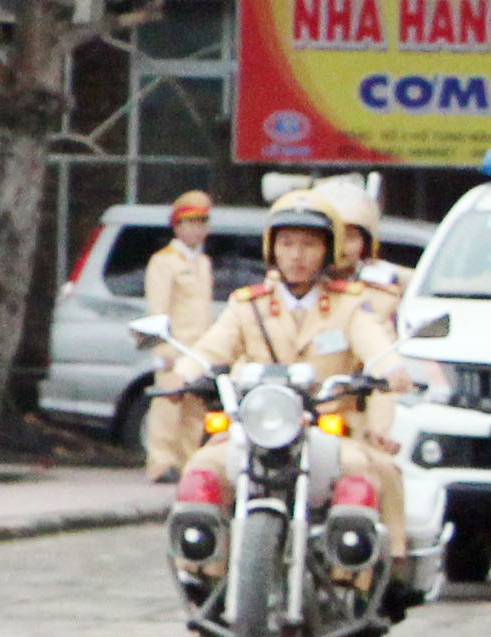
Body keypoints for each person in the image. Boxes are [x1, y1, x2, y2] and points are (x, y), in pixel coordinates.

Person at [172, 191, 410, 580]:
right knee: (202, 465)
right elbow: (211, 346)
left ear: (327, 250)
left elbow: (375, 344)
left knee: (360, 468)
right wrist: (184, 373)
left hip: (328, 427)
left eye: (309, 244)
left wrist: (392, 368)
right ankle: (201, 568)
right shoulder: (248, 304)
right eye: (287, 243)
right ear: (272, 249)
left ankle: (359, 572)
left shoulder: (350, 305)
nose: (297, 255)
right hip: (257, 427)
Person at [140, 189, 220, 483]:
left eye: (203, 222)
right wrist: (162, 350)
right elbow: (157, 310)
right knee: (167, 406)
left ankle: (189, 464)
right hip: (174, 347)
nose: (198, 229)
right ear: (177, 226)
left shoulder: (203, 262)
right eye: (191, 222)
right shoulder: (164, 262)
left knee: (195, 411)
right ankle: (161, 464)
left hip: (198, 349)